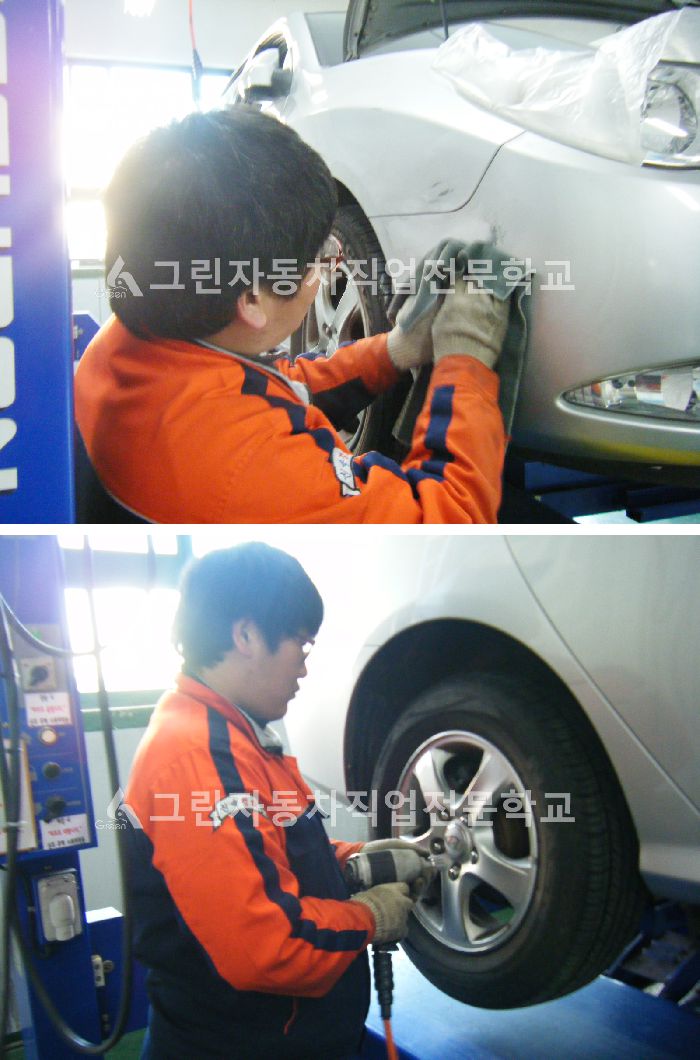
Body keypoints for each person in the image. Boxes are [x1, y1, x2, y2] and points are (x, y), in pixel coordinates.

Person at [74, 106, 509, 523]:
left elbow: (274, 390)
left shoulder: (134, 334)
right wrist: (465, 360)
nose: (336, 259)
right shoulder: (249, 468)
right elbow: (455, 516)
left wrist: (393, 351)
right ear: (252, 300)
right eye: (320, 255)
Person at [124, 543, 424, 1059]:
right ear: (245, 635)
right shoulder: (199, 758)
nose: (304, 668)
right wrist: (370, 917)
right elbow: (267, 948)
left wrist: (355, 862)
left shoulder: (237, 738)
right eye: (301, 645)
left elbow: (269, 854)